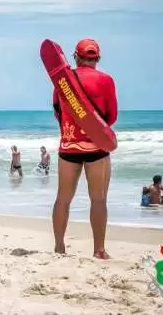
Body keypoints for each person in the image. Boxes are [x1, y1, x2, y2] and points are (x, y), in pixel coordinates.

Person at [51, 38, 118, 260]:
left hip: (69, 145)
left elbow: (57, 110)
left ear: (76, 56)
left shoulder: (63, 81)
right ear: (97, 58)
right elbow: (112, 116)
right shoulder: (106, 80)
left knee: (63, 198)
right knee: (98, 199)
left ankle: (59, 247)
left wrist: (71, 129)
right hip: (96, 147)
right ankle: (99, 250)